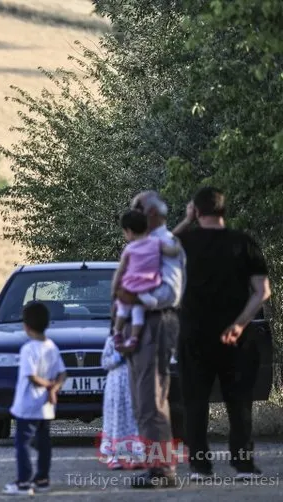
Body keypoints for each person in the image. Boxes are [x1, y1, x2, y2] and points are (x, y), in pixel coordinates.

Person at [171, 186, 271, 481]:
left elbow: (157, 248)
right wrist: (240, 324)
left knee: (195, 403)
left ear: (196, 210)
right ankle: (243, 465)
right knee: (239, 402)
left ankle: (201, 467)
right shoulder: (244, 242)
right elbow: (262, 291)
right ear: (224, 210)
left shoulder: (184, 242)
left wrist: (186, 220)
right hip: (237, 337)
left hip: (194, 335)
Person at [116, 191, 186, 489]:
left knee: (151, 401)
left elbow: (170, 292)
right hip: (143, 325)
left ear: (153, 213)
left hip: (155, 323)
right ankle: (158, 465)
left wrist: (137, 298)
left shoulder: (166, 242)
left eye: (136, 208)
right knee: (146, 400)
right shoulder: (149, 242)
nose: (133, 212)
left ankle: (162, 470)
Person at [3, 301, 67, 496]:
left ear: (26, 326)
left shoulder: (28, 349)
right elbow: (62, 374)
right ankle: (42, 479)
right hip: (45, 408)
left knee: (22, 444)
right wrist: (54, 388)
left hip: (28, 406)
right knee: (44, 443)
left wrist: (48, 386)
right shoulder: (52, 347)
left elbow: (31, 376)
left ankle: (23, 482)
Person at [112, 210, 181, 352]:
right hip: (146, 289)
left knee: (123, 309)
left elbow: (120, 270)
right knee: (138, 310)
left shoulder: (129, 249)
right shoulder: (157, 243)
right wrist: (177, 244)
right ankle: (134, 338)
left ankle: (117, 333)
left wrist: (114, 288)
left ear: (129, 231)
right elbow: (172, 252)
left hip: (130, 287)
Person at [99, 331, 145, 470]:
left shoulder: (138, 340)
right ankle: (113, 455)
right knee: (115, 419)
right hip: (116, 386)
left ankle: (135, 454)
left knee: (133, 418)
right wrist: (120, 355)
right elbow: (105, 363)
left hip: (133, 383)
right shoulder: (112, 341)